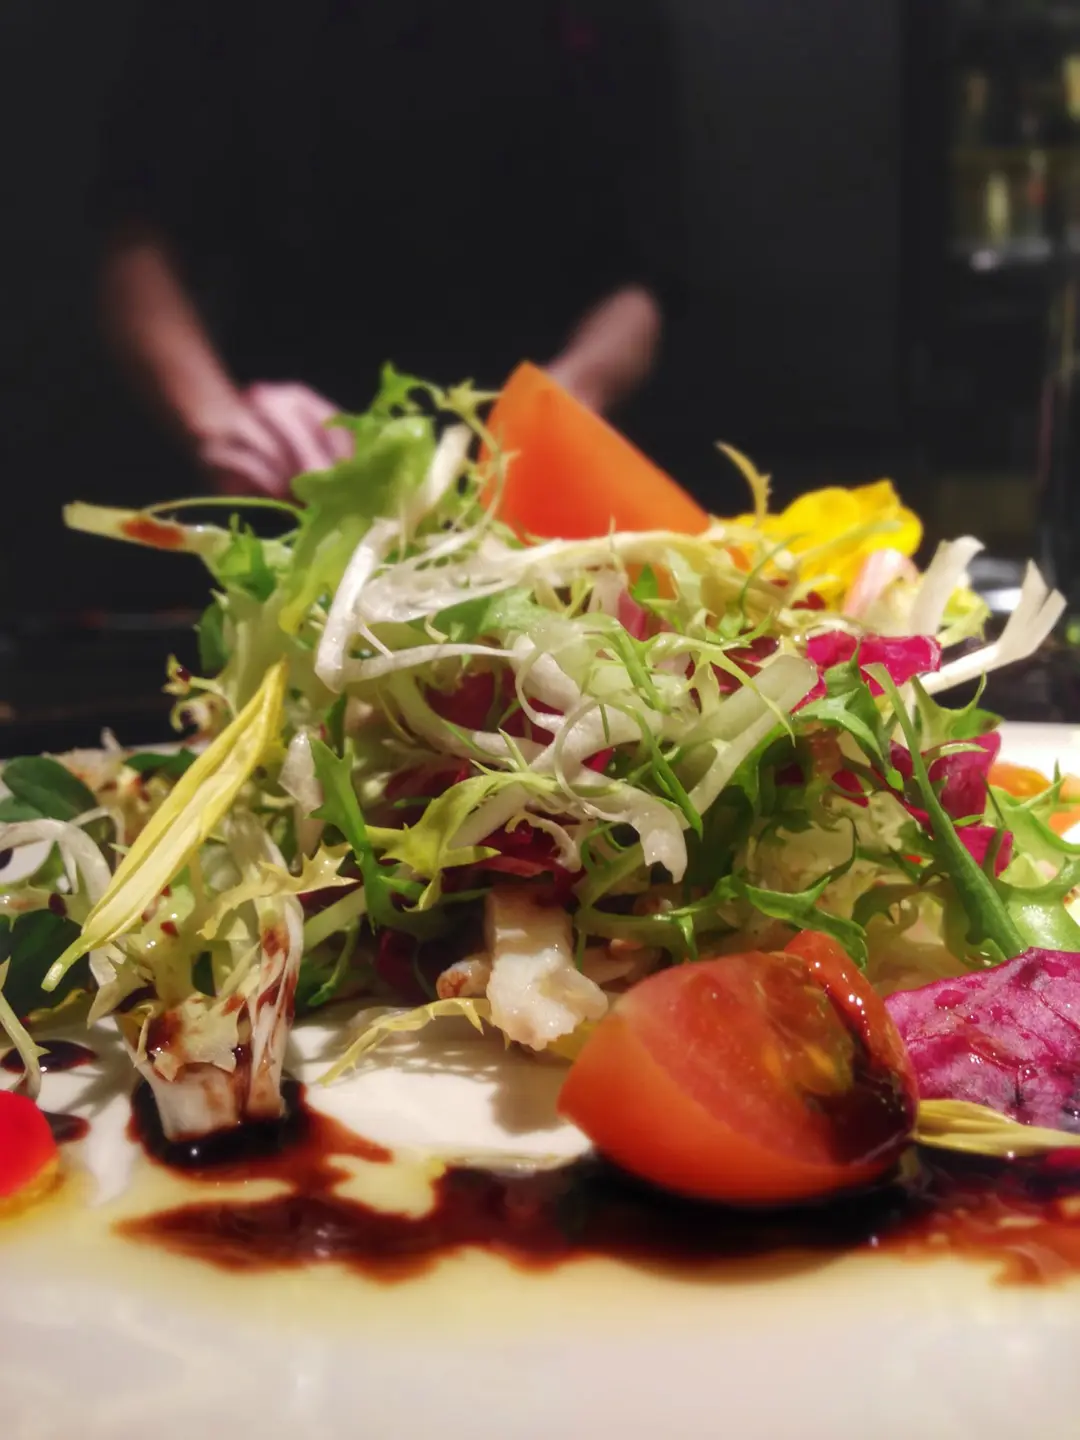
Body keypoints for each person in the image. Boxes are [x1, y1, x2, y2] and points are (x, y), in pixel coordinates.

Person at [94, 0, 683, 497]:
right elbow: (137, 242)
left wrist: (566, 400)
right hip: (300, 470)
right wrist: (220, 420)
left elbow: (642, 271)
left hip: (531, 475)